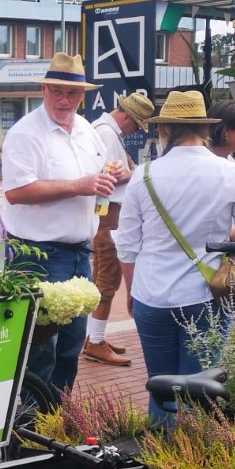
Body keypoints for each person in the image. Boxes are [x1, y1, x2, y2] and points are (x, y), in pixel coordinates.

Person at [113, 91, 235, 424]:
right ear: (205, 129)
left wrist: (131, 290)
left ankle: (158, 450)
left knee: (160, 386)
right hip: (206, 295)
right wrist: (224, 239)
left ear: (165, 130)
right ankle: (194, 454)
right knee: (200, 394)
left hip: (151, 294)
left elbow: (127, 244)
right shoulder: (233, 174)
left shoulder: (143, 175)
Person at [0, 52, 122, 393]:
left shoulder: (86, 130)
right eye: (57, 91)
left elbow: (96, 177)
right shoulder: (26, 133)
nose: (64, 100)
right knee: (38, 350)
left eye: (72, 93)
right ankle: (30, 418)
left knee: (71, 345)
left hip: (79, 252)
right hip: (36, 254)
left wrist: (109, 175)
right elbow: (16, 192)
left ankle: (57, 414)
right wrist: (79, 185)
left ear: (82, 95)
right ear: (43, 90)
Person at [83, 89, 155, 367]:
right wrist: (134, 173)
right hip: (109, 213)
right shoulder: (107, 134)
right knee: (107, 278)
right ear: (125, 117)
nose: (135, 130)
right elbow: (109, 177)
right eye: (136, 125)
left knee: (104, 276)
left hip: (107, 212)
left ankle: (95, 337)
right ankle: (96, 342)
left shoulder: (104, 131)